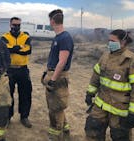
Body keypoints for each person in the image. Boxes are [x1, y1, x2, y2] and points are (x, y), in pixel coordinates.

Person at [84, 29, 134, 141]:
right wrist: (90, 92)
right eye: (109, 40)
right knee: (92, 130)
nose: (109, 43)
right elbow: (96, 76)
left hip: (120, 109)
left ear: (123, 42)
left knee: (120, 136)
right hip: (101, 105)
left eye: (112, 41)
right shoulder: (105, 56)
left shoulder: (132, 60)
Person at [41, 9, 74, 141]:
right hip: (53, 73)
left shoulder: (65, 37)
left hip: (58, 76)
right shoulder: (58, 37)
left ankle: (55, 136)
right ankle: (65, 132)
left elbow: (62, 61)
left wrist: (53, 80)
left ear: (52, 21)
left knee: (56, 108)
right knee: (56, 105)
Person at [1, 17, 33, 128]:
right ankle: (8, 117)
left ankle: (24, 117)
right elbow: (4, 49)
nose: (16, 27)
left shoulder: (26, 36)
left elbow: (28, 50)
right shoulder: (4, 37)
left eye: (18, 25)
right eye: (14, 25)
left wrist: (13, 48)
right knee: (7, 95)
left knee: (25, 94)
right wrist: (18, 48)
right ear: (10, 25)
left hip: (23, 69)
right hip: (9, 70)